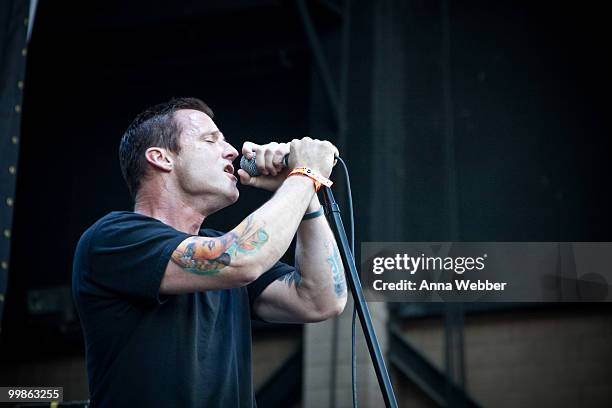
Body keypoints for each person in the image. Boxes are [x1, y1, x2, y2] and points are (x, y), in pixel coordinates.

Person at [72, 97, 347, 407]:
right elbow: (239, 260)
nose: (231, 150)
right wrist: (305, 175)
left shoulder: (219, 243)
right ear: (161, 158)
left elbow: (321, 301)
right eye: (210, 139)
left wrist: (306, 192)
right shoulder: (114, 238)